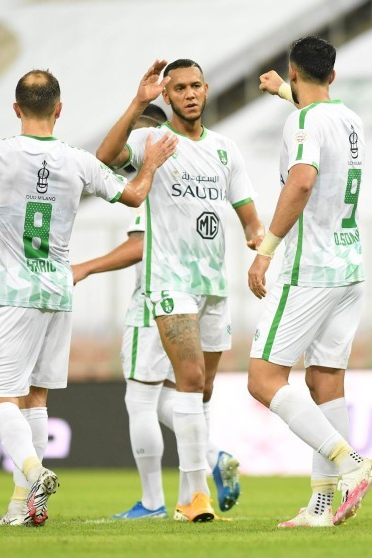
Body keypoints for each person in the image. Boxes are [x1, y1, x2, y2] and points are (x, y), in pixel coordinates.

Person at [0, 51, 177, 526]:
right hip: (58, 292)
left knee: (3, 400)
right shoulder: (78, 161)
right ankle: (22, 508)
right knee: (37, 400)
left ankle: (34, 471)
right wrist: (150, 164)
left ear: (15, 108)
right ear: (59, 109)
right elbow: (134, 195)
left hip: (11, 294)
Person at [95, 59, 264, 523]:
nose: (189, 94)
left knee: (201, 391)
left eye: (195, 86)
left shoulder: (226, 150)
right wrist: (138, 102)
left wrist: (260, 246)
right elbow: (105, 157)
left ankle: (192, 492)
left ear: (206, 90)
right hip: (170, 282)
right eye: (180, 88)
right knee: (188, 382)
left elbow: (249, 217)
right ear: (167, 96)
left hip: (213, 285)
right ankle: (196, 495)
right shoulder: (152, 140)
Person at [71, 104, 241, 520]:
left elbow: (140, 244)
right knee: (179, 396)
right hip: (192, 296)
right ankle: (206, 468)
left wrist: (87, 266)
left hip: (157, 299)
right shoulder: (188, 171)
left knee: (141, 400)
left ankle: (152, 501)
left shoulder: (155, 175)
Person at [247, 36, 372, 528]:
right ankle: (324, 505)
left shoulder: (302, 122)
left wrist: (265, 251)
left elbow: (301, 180)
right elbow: (315, 113)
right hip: (349, 268)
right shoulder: (350, 120)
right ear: (333, 75)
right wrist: (285, 91)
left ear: (293, 71)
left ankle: (350, 462)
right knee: (325, 381)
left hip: (310, 269)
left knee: (263, 380)